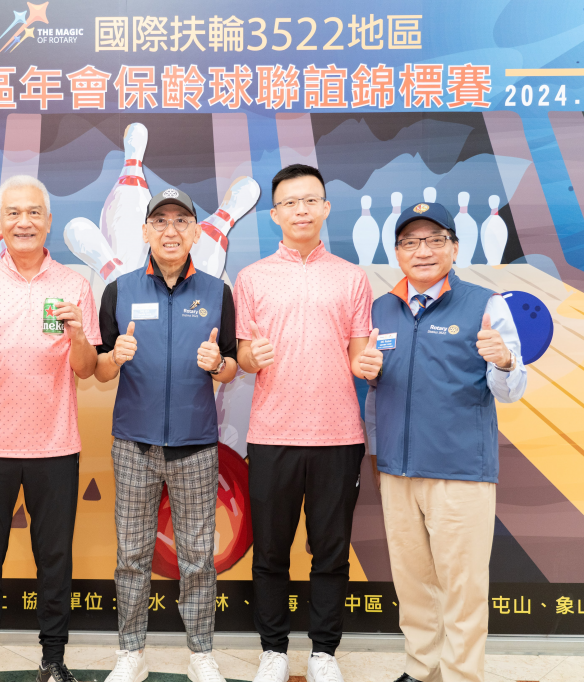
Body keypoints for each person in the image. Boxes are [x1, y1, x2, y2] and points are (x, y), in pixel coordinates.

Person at [0, 175, 100, 682]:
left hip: (56, 447)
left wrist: (78, 336)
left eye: (33, 212)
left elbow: (85, 369)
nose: (24, 222)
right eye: (13, 213)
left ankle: (53, 661)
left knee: (55, 561)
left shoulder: (74, 285)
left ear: (48, 221)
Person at [363, 201, 526, 682]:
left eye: (435, 240)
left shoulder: (485, 305)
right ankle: (421, 668)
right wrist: (377, 454)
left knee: (462, 587)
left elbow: (511, 390)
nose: (423, 251)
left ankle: (461, 675)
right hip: (397, 471)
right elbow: (376, 394)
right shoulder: (381, 309)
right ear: (397, 252)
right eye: (411, 242)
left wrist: (504, 362)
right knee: (413, 583)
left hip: (460, 471)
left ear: (454, 248)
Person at [235, 165, 375, 682]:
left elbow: (359, 354)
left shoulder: (351, 277)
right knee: (271, 551)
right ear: (274, 214)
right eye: (290, 202)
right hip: (272, 435)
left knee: (330, 552)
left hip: (338, 435)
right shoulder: (251, 278)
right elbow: (242, 355)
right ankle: (273, 651)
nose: (301, 210)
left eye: (310, 200)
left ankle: (323, 653)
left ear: (326, 208)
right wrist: (250, 357)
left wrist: (369, 363)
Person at [94, 188, 238, 682]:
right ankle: (131, 652)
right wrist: (115, 357)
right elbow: (99, 369)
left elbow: (232, 364)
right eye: (160, 221)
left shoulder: (217, 293)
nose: (170, 230)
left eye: (181, 221)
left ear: (196, 232)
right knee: (132, 555)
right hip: (134, 444)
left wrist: (217, 364)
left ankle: (201, 653)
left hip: (196, 445)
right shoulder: (119, 291)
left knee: (197, 557)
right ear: (145, 231)